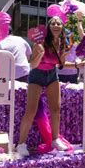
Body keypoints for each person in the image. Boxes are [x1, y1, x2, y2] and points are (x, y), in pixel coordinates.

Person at [16, 16, 70, 157]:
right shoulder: (39, 42)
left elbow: (59, 65)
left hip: (52, 74)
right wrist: (39, 54)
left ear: (62, 27)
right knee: (31, 111)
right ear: (48, 26)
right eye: (53, 23)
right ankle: (21, 144)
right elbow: (32, 65)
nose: (56, 25)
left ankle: (55, 140)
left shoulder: (61, 42)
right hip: (36, 75)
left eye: (59, 23)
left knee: (56, 109)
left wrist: (63, 56)